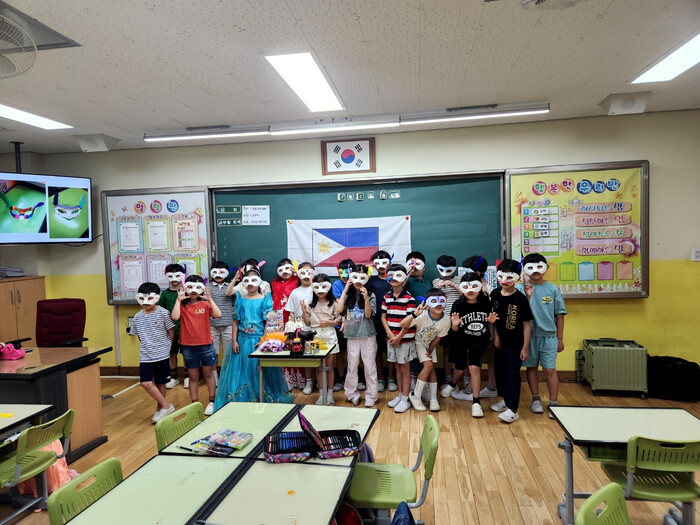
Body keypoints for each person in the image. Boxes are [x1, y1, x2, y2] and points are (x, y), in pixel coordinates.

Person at [215, 269, 293, 408]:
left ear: (259, 283)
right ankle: (242, 399)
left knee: (258, 369)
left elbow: (268, 322)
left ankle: (261, 397)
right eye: (247, 281)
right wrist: (234, 340)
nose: (250, 284)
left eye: (254, 280)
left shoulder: (265, 299)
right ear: (243, 283)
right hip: (242, 340)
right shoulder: (240, 299)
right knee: (241, 370)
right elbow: (235, 321)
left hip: (257, 341)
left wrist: (263, 339)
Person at [517, 253, 566, 418]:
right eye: (530, 267)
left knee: (550, 370)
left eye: (539, 267)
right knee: (531, 367)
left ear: (545, 268)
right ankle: (536, 399)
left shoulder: (552, 289)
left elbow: (560, 314)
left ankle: (554, 403)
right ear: (525, 270)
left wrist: (560, 338)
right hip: (528, 337)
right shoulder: (520, 289)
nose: (535, 271)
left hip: (549, 337)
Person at [448, 272, 498, 418]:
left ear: (480, 286)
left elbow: (490, 322)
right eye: (466, 287)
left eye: (474, 286)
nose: (470, 290)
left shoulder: (486, 302)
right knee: (460, 366)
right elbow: (454, 329)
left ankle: (476, 402)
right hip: (462, 341)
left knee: (474, 368)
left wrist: (491, 322)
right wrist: (455, 325)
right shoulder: (458, 304)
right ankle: (452, 384)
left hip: (479, 341)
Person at [489, 259, 533, 424]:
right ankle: (506, 401)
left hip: (515, 345)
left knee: (511, 375)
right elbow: (495, 318)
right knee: (500, 372)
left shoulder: (520, 299)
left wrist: (525, 347)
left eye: (509, 278)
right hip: (500, 342)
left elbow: (526, 324)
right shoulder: (495, 294)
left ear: (517, 278)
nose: (504, 281)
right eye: (501, 277)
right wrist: (496, 335)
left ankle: (513, 409)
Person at [171, 275, 222, 416]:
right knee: (193, 376)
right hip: (188, 346)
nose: (193, 290)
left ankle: (211, 401)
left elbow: (218, 314)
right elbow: (175, 317)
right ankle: (195, 404)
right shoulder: (182, 305)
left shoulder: (205, 304)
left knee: (208, 373)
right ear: (185, 288)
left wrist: (209, 299)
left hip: (206, 345)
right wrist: (178, 299)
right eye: (190, 287)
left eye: (197, 287)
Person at [130, 282, 175, 423]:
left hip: (161, 354)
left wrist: (166, 348)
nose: (145, 302)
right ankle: (167, 406)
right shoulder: (137, 317)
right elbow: (139, 336)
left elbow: (171, 333)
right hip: (146, 355)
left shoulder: (163, 313)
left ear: (156, 298)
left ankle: (160, 409)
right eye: (142, 298)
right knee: (146, 383)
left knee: (161, 383)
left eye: (149, 298)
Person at [402, 288, 451, 412]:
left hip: (429, 345)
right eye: (434, 301)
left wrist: (431, 348)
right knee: (428, 365)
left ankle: (433, 399)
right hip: (418, 343)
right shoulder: (421, 315)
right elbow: (403, 324)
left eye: (441, 301)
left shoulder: (446, 320)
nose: (438, 304)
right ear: (427, 305)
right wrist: (414, 314)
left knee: (431, 369)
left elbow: (439, 336)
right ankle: (415, 396)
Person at [337, 264, 378, 407]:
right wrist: (345, 290)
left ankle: (371, 395)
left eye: (362, 277)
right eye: (355, 276)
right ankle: (351, 394)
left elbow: (368, 315)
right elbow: (339, 310)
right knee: (352, 366)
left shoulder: (371, 295)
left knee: (370, 366)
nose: (358, 281)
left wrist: (365, 298)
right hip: (352, 336)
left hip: (368, 335)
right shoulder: (348, 295)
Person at [381, 263, 417, 414]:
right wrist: (391, 335)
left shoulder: (409, 298)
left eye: (398, 275)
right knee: (397, 366)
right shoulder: (386, 297)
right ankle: (400, 395)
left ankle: (406, 399)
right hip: (391, 339)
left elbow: (409, 322)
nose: (394, 278)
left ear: (404, 278)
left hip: (405, 340)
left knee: (405, 368)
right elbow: (383, 317)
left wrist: (399, 337)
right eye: (391, 275)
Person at [301, 273, 341, 405]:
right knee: (318, 367)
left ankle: (330, 394)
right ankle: (321, 393)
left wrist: (330, 322)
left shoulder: (334, 303)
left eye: (324, 286)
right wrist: (303, 311)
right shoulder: (310, 304)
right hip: (315, 335)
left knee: (328, 366)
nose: (320, 290)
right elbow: (307, 323)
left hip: (329, 335)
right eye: (317, 287)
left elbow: (339, 321)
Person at [463, 255, 498, 399]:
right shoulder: (486, 286)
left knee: (477, 361)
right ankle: (491, 386)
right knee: (486, 361)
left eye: (467, 271)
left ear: (477, 273)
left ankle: (471, 390)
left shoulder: (484, 290)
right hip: (481, 331)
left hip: (483, 333)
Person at [271, 258, 304, 391]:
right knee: (282, 349)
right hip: (278, 319)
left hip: (294, 319)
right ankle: (286, 382)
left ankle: (300, 380)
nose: (285, 271)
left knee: (296, 346)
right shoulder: (275, 283)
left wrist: (298, 273)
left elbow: (308, 283)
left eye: (287, 268)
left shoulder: (297, 280)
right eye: (281, 268)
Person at [285, 261, 316, 395]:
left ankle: (319, 379)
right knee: (306, 355)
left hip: (316, 326)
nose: (306, 275)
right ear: (298, 274)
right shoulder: (295, 292)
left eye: (309, 272)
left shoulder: (317, 288)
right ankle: (309, 381)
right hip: (301, 329)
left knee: (318, 353)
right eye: (303, 272)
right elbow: (291, 313)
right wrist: (290, 328)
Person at [433, 255, 462, 394]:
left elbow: (465, 295)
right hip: (443, 321)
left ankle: (464, 380)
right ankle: (447, 379)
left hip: (458, 320)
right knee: (446, 351)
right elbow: (433, 300)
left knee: (462, 351)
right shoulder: (435, 281)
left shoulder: (460, 280)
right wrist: (438, 289)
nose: (445, 273)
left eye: (449, 270)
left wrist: (454, 285)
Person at [405, 251, 431, 397]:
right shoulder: (406, 280)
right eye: (411, 264)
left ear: (424, 267)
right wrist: (408, 273)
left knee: (425, 350)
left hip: (427, 321)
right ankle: (414, 379)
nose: (414, 267)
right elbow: (400, 286)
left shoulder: (428, 281)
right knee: (413, 350)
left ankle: (424, 380)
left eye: (417, 264)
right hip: (411, 320)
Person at [367, 250, 394, 392]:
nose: (382, 266)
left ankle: (391, 377)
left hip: (393, 321)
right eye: (378, 263)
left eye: (385, 262)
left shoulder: (395, 279)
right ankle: (380, 378)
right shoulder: (371, 281)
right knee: (377, 351)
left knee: (391, 350)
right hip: (375, 321)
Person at [158, 263, 185, 389]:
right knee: (172, 354)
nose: (174, 279)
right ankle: (173, 377)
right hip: (170, 330)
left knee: (186, 354)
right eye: (171, 275)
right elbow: (161, 311)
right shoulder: (165, 294)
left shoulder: (185, 292)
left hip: (185, 329)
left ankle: (187, 376)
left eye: (177, 275)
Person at [208, 260, 234, 386]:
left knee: (228, 352)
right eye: (215, 272)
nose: (218, 275)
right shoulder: (207, 287)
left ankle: (227, 375)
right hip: (211, 324)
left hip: (228, 323)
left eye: (221, 272)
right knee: (213, 352)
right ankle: (214, 376)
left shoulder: (230, 287)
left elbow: (234, 303)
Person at [331, 258, 354, 391]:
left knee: (353, 353)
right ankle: (340, 378)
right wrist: (344, 320)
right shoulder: (336, 284)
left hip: (356, 325)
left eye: (348, 272)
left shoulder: (357, 284)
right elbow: (340, 304)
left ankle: (354, 378)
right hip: (340, 324)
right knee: (340, 353)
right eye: (342, 272)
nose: (345, 276)